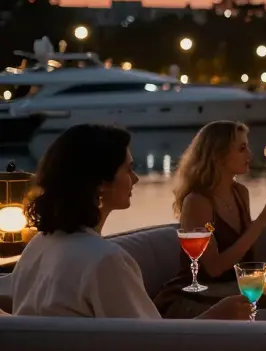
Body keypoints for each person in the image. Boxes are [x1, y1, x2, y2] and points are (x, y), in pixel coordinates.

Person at [10, 124, 249, 320]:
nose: (135, 179)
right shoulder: (105, 261)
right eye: (128, 169)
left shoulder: (38, 247)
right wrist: (217, 315)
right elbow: (153, 347)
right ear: (100, 184)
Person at [153, 121, 266, 317]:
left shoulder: (240, 193)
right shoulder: (198, 202)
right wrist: (261, 221)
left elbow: (244, 255)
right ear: (218, 156)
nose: (249, 154)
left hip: (230, 293)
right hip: (197, 299)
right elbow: (214, 268)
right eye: (242, 149)